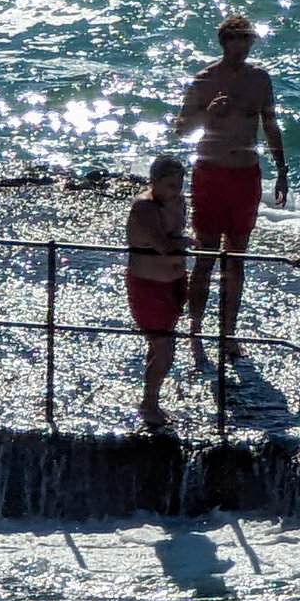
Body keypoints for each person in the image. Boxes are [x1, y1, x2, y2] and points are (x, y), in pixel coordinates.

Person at [175, 15, 288, 369]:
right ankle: (195, 327)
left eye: (246, 39)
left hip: (245, 174)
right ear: (224, 42)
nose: (241, 45)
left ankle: (228, 332)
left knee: (236, 258)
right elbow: (180, 129)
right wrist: (208, 114)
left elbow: (269, 123)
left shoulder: (259, 79)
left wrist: (282, 170)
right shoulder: (204, 79)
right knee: (206, 256)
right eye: (235, 39)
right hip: (210, 172)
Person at [125, 155, 187, 429]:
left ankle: (152, 397)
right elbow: (163, 244)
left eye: (180, 183)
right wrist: (184, 241)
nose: (177, 189)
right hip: (149, 285)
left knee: (160, 344)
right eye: (171, 184)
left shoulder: (178, 202)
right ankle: (149, 402)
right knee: (164, 348)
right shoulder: (144, 207)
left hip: (173, 282)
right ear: (155, 182)